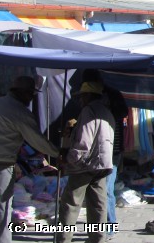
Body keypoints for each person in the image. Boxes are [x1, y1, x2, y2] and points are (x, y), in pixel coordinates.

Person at [0, 76, 59, 243]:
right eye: (31, 95)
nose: (31, 99)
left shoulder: (0, 102)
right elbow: (37, 140)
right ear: (24, 93)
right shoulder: (19, 112)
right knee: (2, 209)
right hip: (1, 164)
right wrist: (58, 153)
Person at [58, 81, 115, 243]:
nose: (80, 100)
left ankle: (63, 239)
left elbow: (84, 142)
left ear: (88, 96)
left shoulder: (88, 111)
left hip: (85, 165)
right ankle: (98, 239)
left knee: (71, 204)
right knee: (98, 205)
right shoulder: (106, 112)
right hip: (102, 164)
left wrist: (69, 160)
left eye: (82, 96)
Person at [82, 69, 127, 238]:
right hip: (106, 149)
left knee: (105, 189)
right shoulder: (107, 95)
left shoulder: (105, 97)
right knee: (101, 190)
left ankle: (108, 227)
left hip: (110, 149)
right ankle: (102, 226)